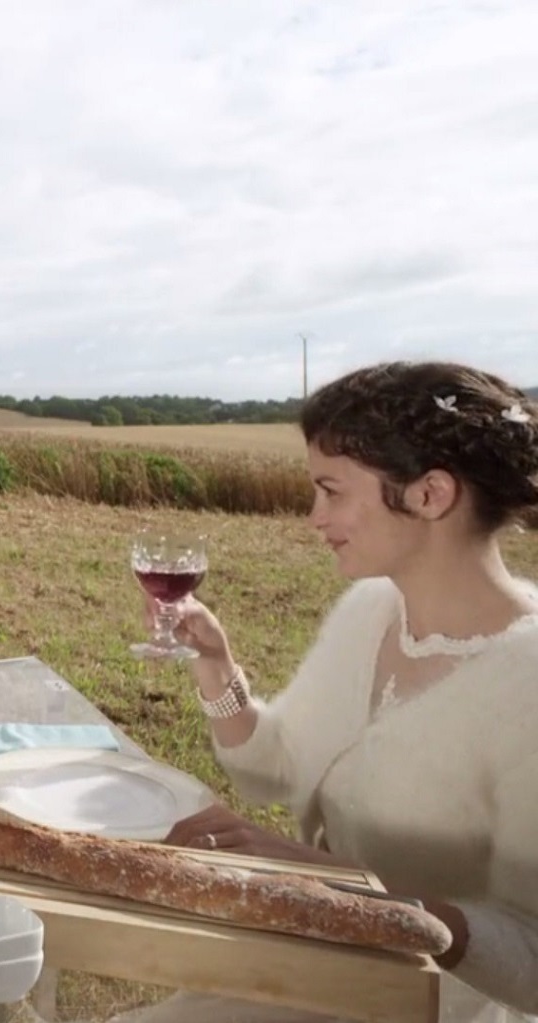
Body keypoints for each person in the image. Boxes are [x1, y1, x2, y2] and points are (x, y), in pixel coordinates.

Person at [116, 361, 538, 1023]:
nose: (315, 518)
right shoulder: (369, 612)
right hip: (317, 963)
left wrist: (336, 884)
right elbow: (274, 765)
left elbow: (531, 957)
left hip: (430, 1004)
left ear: (430, 495)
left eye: (331, 491)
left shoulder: (528, 678)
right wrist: (215, 666)